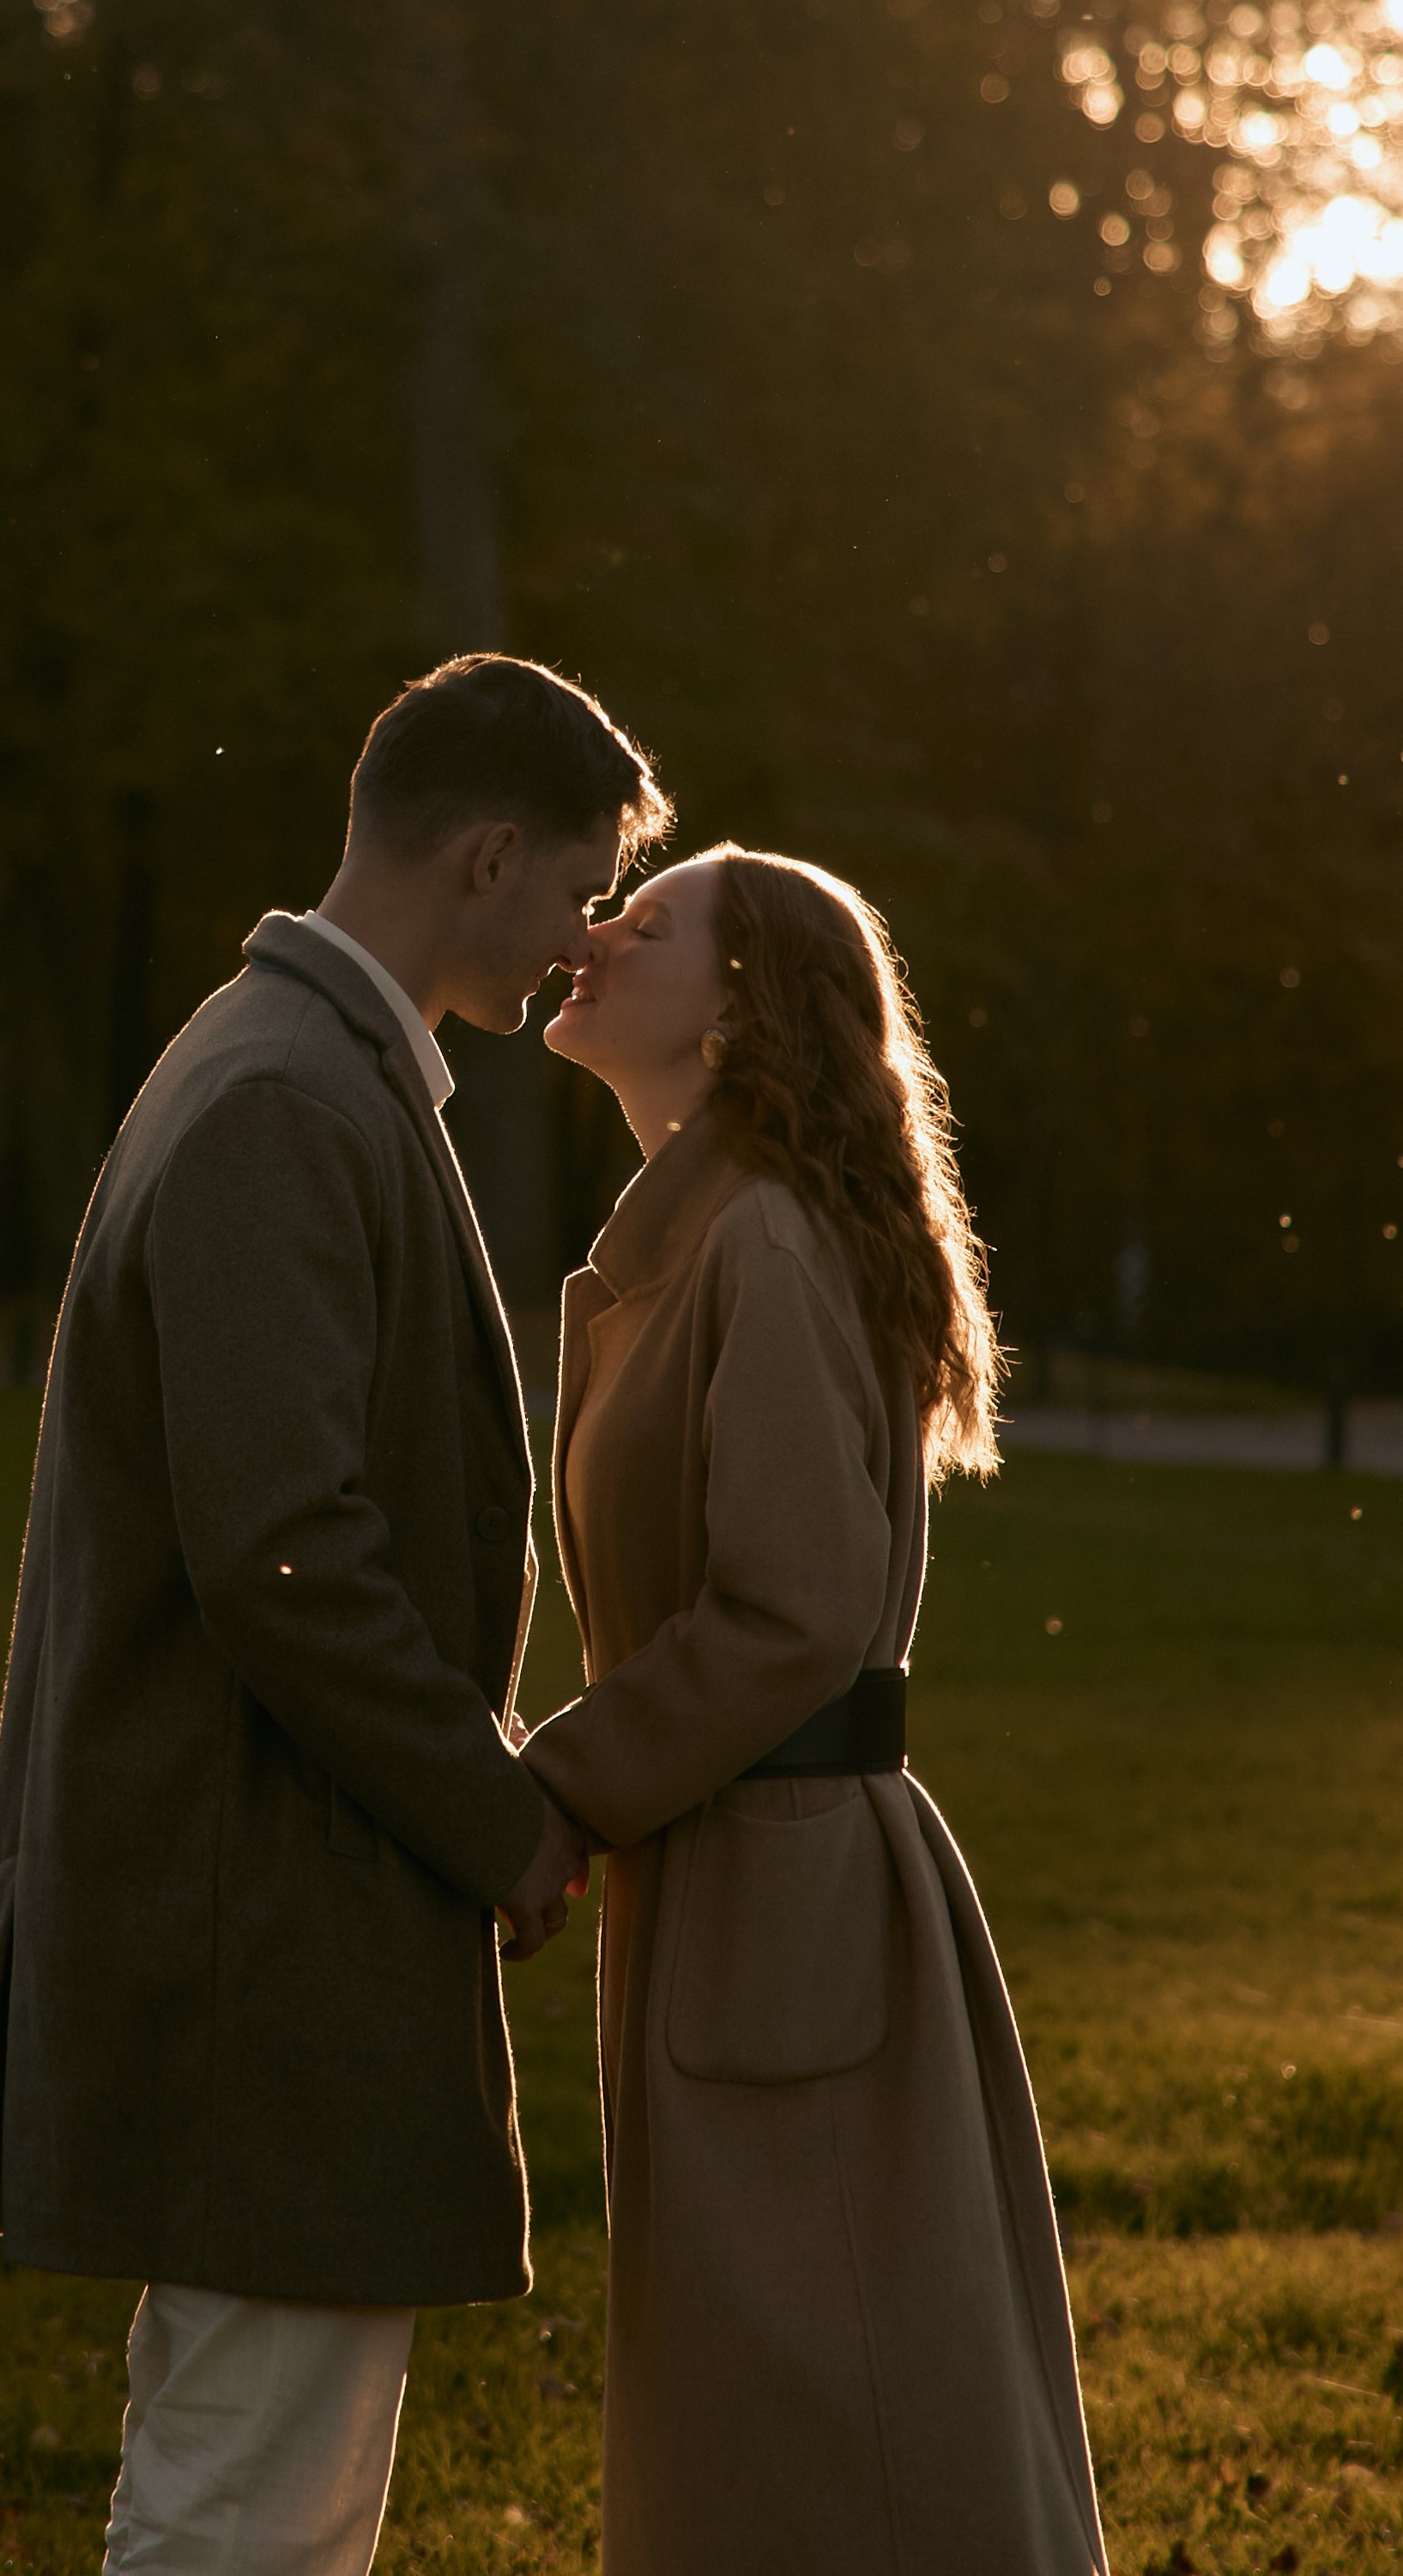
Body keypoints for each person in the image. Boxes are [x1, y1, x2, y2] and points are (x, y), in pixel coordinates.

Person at [0, 653, 672, 2576]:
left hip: (266, 1901)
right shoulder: (283, 1094)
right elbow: (279, 1548)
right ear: (487, 853)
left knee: (263, 2488)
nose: (580, 940)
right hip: (249, 1919)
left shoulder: (300, 1065)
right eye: (579, 889)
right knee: (243, 2513)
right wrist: (495, 1806)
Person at [523, 844, 1108, 2576]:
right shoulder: (702, 1226)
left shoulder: (758, 1235)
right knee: (773, 2435)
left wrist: (558, 1788)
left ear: (739, 1006)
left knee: (832, 2440)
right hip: (733, 1882)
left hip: (791, 1899)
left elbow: (792, 1608)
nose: (595, 930)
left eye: (648, 921)